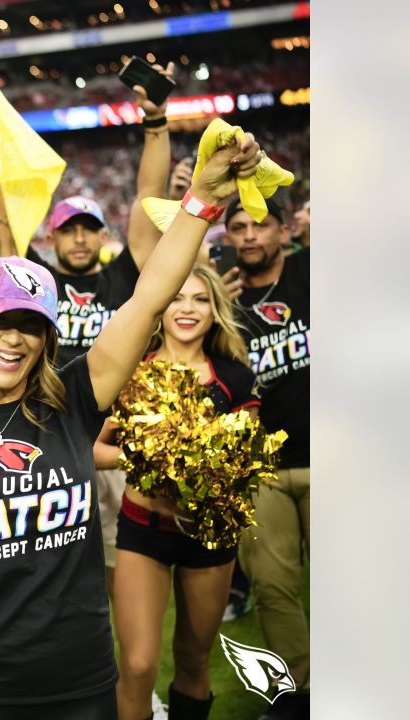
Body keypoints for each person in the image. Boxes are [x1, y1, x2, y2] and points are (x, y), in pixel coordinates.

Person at [0, 133, 262, 720]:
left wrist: (203, 204)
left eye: (30, 326)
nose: (13, 338)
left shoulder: (75, 399)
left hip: (81, 682)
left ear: (47, 338)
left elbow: (149, 298)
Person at [0, 62, 176, 615]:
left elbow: (149, 199)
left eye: (89, 229)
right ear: (53, 236)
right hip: (50, 435)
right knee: (50, 573)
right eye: (69, 230)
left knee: (124, 576)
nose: (80, 238)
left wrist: (155, 121)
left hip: (116, 435)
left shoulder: (125, 275)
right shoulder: (36, 283)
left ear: (104, 236)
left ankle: (130, 688)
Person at [102, 264, 260, 720]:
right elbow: (93, 448)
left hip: (209, 535)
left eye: (200, 299)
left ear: (215, 311)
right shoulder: (133, 369)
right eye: (176, 297)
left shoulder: (235, 378)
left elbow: (243, 466)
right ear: (160, 305)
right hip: (142, 529)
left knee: (193, 659)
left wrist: (208, 465)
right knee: (136, 664)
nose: (187, 308)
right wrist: (151, 457)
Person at [224, 197, 310, 720]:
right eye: (239, 227)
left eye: (261, 224)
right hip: (261, 469)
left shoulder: (310, 270)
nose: (251, 235)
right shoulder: (221, 299)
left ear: (285, 229)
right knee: (275, 589)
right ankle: (298, 694)